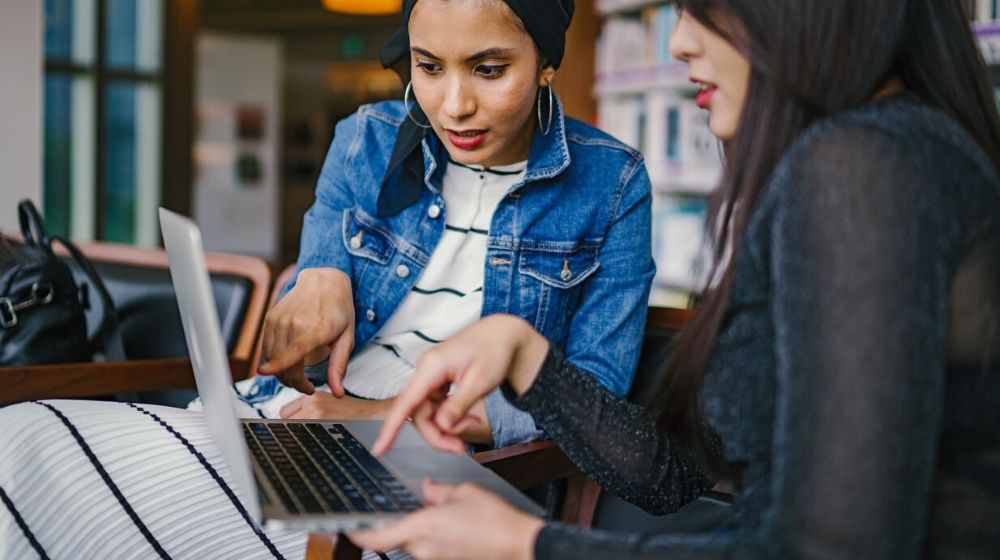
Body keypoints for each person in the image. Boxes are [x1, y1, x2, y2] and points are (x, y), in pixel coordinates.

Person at [0, 1, 656, 557]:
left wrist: (370, 417)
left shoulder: (613, 183)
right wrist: (314, 276)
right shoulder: (363, 140)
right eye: (428, 67)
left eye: (489, 70)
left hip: (436, 465)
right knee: (21, 438)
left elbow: (592, 403)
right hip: (286, 419)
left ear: (546, 61)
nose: (453, 106)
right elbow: (309, 296)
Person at [351, 0, 1000, 558]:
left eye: (704, 7)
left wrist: (528, 545)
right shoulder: (879, 152)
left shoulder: (862, 168)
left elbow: (832, 550)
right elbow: (674, 477)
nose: (680, 39)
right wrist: (529, 361)